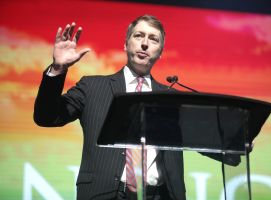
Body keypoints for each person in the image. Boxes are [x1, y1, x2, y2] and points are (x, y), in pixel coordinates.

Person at [34, 15, 186, 200]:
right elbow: (46, 117)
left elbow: (206, 137)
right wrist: (58, 69)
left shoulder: (172, 99)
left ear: (160, 51)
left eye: (153, 39)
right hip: (103, 194)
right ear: (125, 44)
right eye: (138, 36)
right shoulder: (92, 87)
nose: (145, 43)